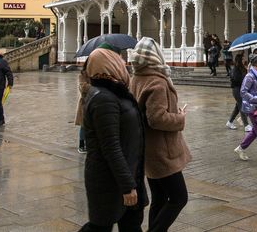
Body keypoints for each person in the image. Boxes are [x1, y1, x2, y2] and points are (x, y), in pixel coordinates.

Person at [81, 47, 147, 232]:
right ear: (109, 66)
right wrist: (127, 186)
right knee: (100, 227)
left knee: (130, 225)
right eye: (117, 61)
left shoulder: (115, 92)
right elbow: (111, 147)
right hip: (110, 181)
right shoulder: (104, 98)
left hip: (127, 174)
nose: (123, 64)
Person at [129, 37, 191, 232]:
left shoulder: (137, 77)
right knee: (179, 198)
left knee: (160, 197)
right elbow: (156, 118)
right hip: (162, 153)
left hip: (148, 149)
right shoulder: (157, 82)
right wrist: (179, 118)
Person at [226, 53, 251, 131]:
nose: (244, 60)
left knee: (237, 107)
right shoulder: (235, 69)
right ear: (239, 60)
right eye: (242, 59)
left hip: (242, 89)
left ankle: (230, 122)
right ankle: (246, 125)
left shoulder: (243, 68)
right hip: (237, 89)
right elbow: (236, 80)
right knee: (241, 106)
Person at [74, 61, 90, 153]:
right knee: (83, 125)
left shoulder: (94, 74)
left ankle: (89, 144)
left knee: (90, 124)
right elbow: (83, 88)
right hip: (84, 102)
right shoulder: (82, 75)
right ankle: (81, 145)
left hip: (93, 101)